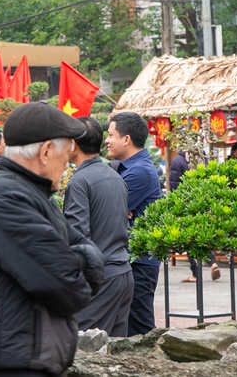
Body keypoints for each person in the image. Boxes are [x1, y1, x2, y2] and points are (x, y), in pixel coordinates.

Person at [0, 102, 105, 377]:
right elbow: (67, 286)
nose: (67, 166)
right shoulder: (7, 198)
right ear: (46, 152)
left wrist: (74, 257)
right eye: (66, 157)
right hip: (12, 363)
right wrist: (78, 259)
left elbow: (86, 256)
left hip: (28, 356)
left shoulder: (34, 194)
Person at [64, 117, 133, 337]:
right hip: (123, 272)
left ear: (73, 145)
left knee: (83, 349)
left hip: (101, 279)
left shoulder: (79, 181)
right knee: (115, 352)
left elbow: (78, 238)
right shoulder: (115, 176)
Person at [105, 112, 162, 336]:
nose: (107, 140)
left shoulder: (139, 171)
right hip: (131, 260)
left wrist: (119, 209)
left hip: (140, 262)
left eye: (110, 135)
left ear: (126, 139)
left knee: (140, 327)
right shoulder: (128, 168)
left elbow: (109, 209)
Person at [169, 150, 220, 283]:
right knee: (203, 236)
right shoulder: (204, 159)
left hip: (187, 205)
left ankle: (196, 273)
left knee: (191, 238)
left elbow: (174, 185)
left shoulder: (177, 161)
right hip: (203, 203)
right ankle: (213, 262)